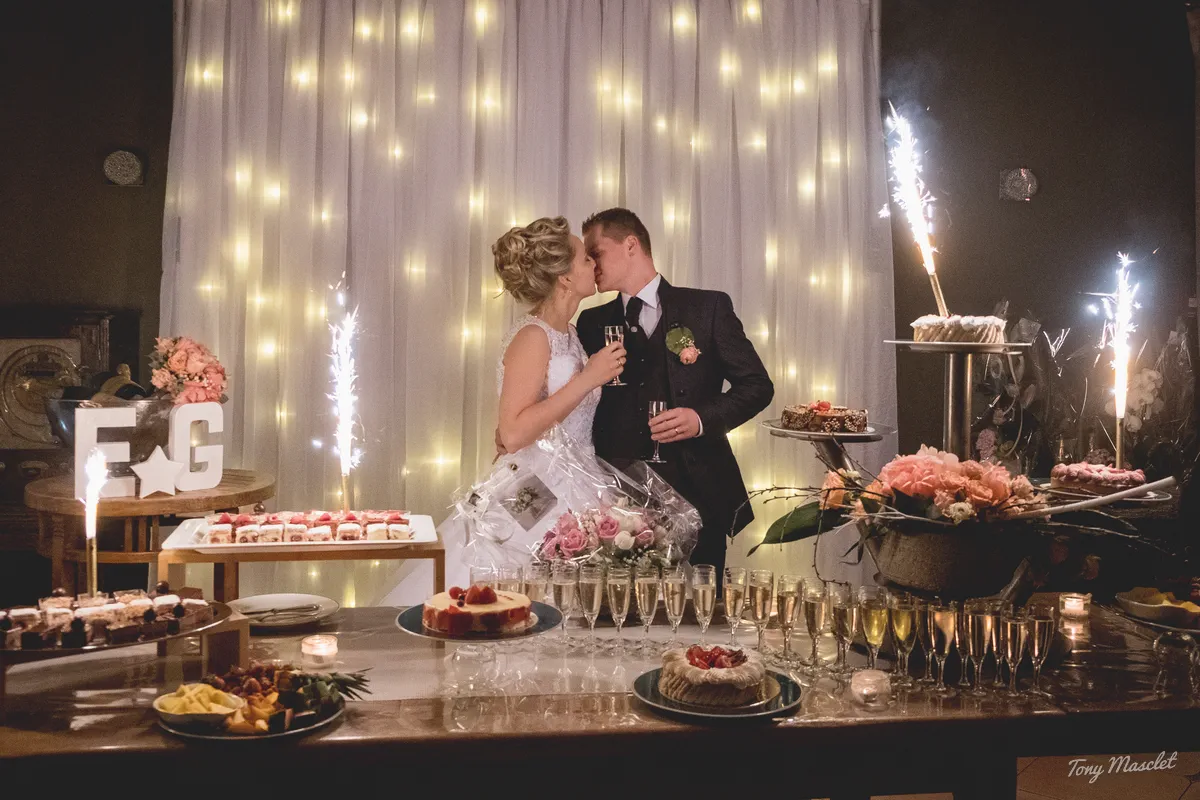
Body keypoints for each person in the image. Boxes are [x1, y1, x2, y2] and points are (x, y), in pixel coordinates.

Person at [576, 208, 773, 578]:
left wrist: (701, 419)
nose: (590, 263)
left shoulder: (708, 308)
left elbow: (758, 386)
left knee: (698, 614)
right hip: (616, 500)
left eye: (596, 251)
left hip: (699, 490)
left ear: (631, 245)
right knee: (624, 618)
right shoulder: (590, 322)